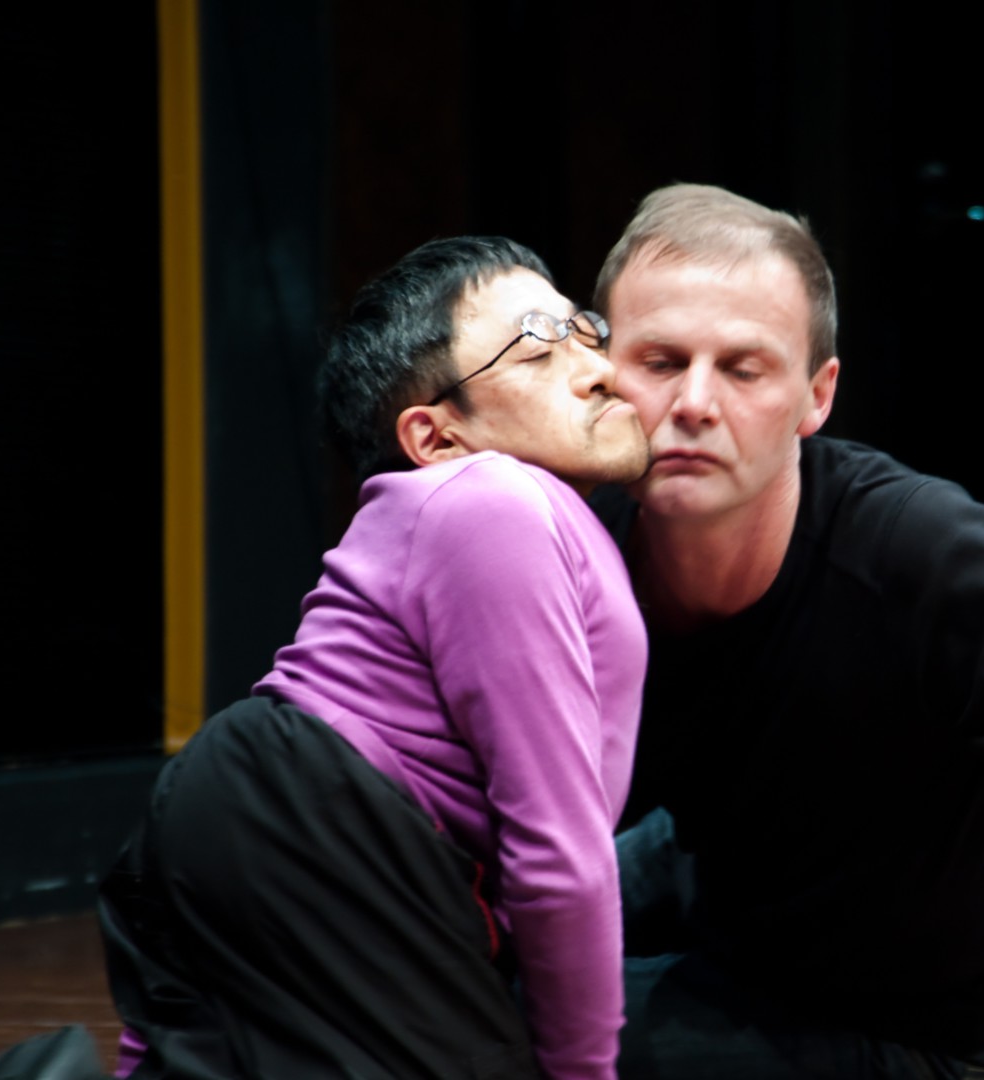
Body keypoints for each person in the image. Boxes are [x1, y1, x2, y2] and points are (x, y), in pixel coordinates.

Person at [588, 185, 984, 1079]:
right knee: (435, 946)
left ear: (817, 398)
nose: (695, 401)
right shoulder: (573, 550)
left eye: (743, 369)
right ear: (601, 370)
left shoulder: (923, 554)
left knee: (528, 1041)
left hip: (930, 1009)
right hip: (725, 870)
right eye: (660, 360)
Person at [98, 236, 650, 1080]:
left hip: (243, 797)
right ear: (437, 435)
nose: (597, 368)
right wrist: (584, 1073)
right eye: (539, 348)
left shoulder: (516, 514)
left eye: (585, 330)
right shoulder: (495, 500)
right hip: (319, 819)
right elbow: (556, 848)